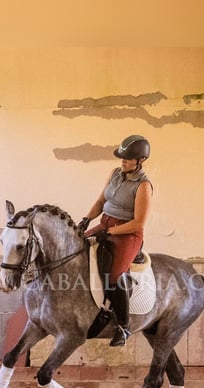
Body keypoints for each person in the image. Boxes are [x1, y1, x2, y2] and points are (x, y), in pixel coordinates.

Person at [77, 135, 153, 347]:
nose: (123, 161)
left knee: (115, 276)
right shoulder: (115, 175)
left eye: (128, 159)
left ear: (141, 160)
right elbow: (101, 201)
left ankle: (123, 326)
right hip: (105, 224)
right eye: (122, 158)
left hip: (127, 234)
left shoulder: (144, 186)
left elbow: (138, 223)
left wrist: (110, 232)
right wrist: (86, 219)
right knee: (77, 248)